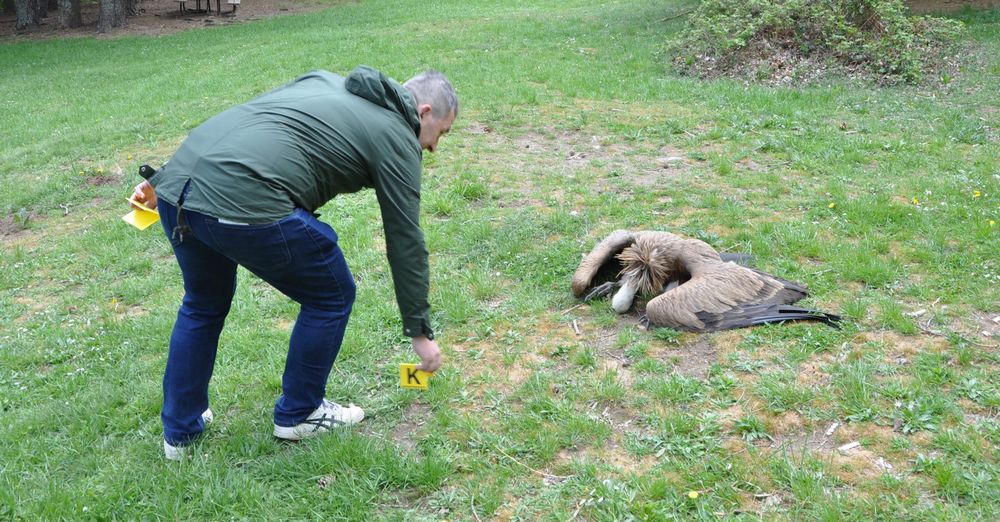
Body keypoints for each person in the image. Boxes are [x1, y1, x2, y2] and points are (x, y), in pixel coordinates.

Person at [131, 65, 457, 460]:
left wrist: (164, 179)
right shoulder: (398, 136)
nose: (434, 147)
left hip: (178, 191)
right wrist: (419, 332)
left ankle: (180, 435)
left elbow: (249, 120)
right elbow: (405, 238)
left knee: (203, 304)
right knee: (331, 295)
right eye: (440, 134)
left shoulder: (323, 80)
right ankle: (301, 413)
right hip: (244, 201)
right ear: (423, 112)